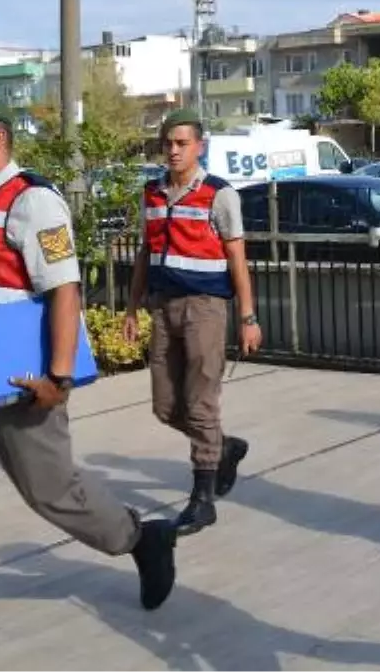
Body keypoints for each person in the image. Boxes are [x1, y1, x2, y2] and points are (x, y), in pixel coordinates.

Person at [0, 96, 177, 672]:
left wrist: (59, 378)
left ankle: (141, 539)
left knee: (52, 492)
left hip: (20, 374)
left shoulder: (34, 202)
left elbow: (64, 291)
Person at [124, 109, 262, 536]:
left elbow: (237, 256)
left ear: (199, 146)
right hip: (163, 307)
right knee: (165, 406)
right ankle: (223, 447)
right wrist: (131, 308)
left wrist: (247, 316)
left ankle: (202, 500)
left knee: (202, 403)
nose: (173, 150)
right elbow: (146, 254)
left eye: (182, 143)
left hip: (205, 306)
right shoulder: (152, 193)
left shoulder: (219, 195)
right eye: (168, 142)